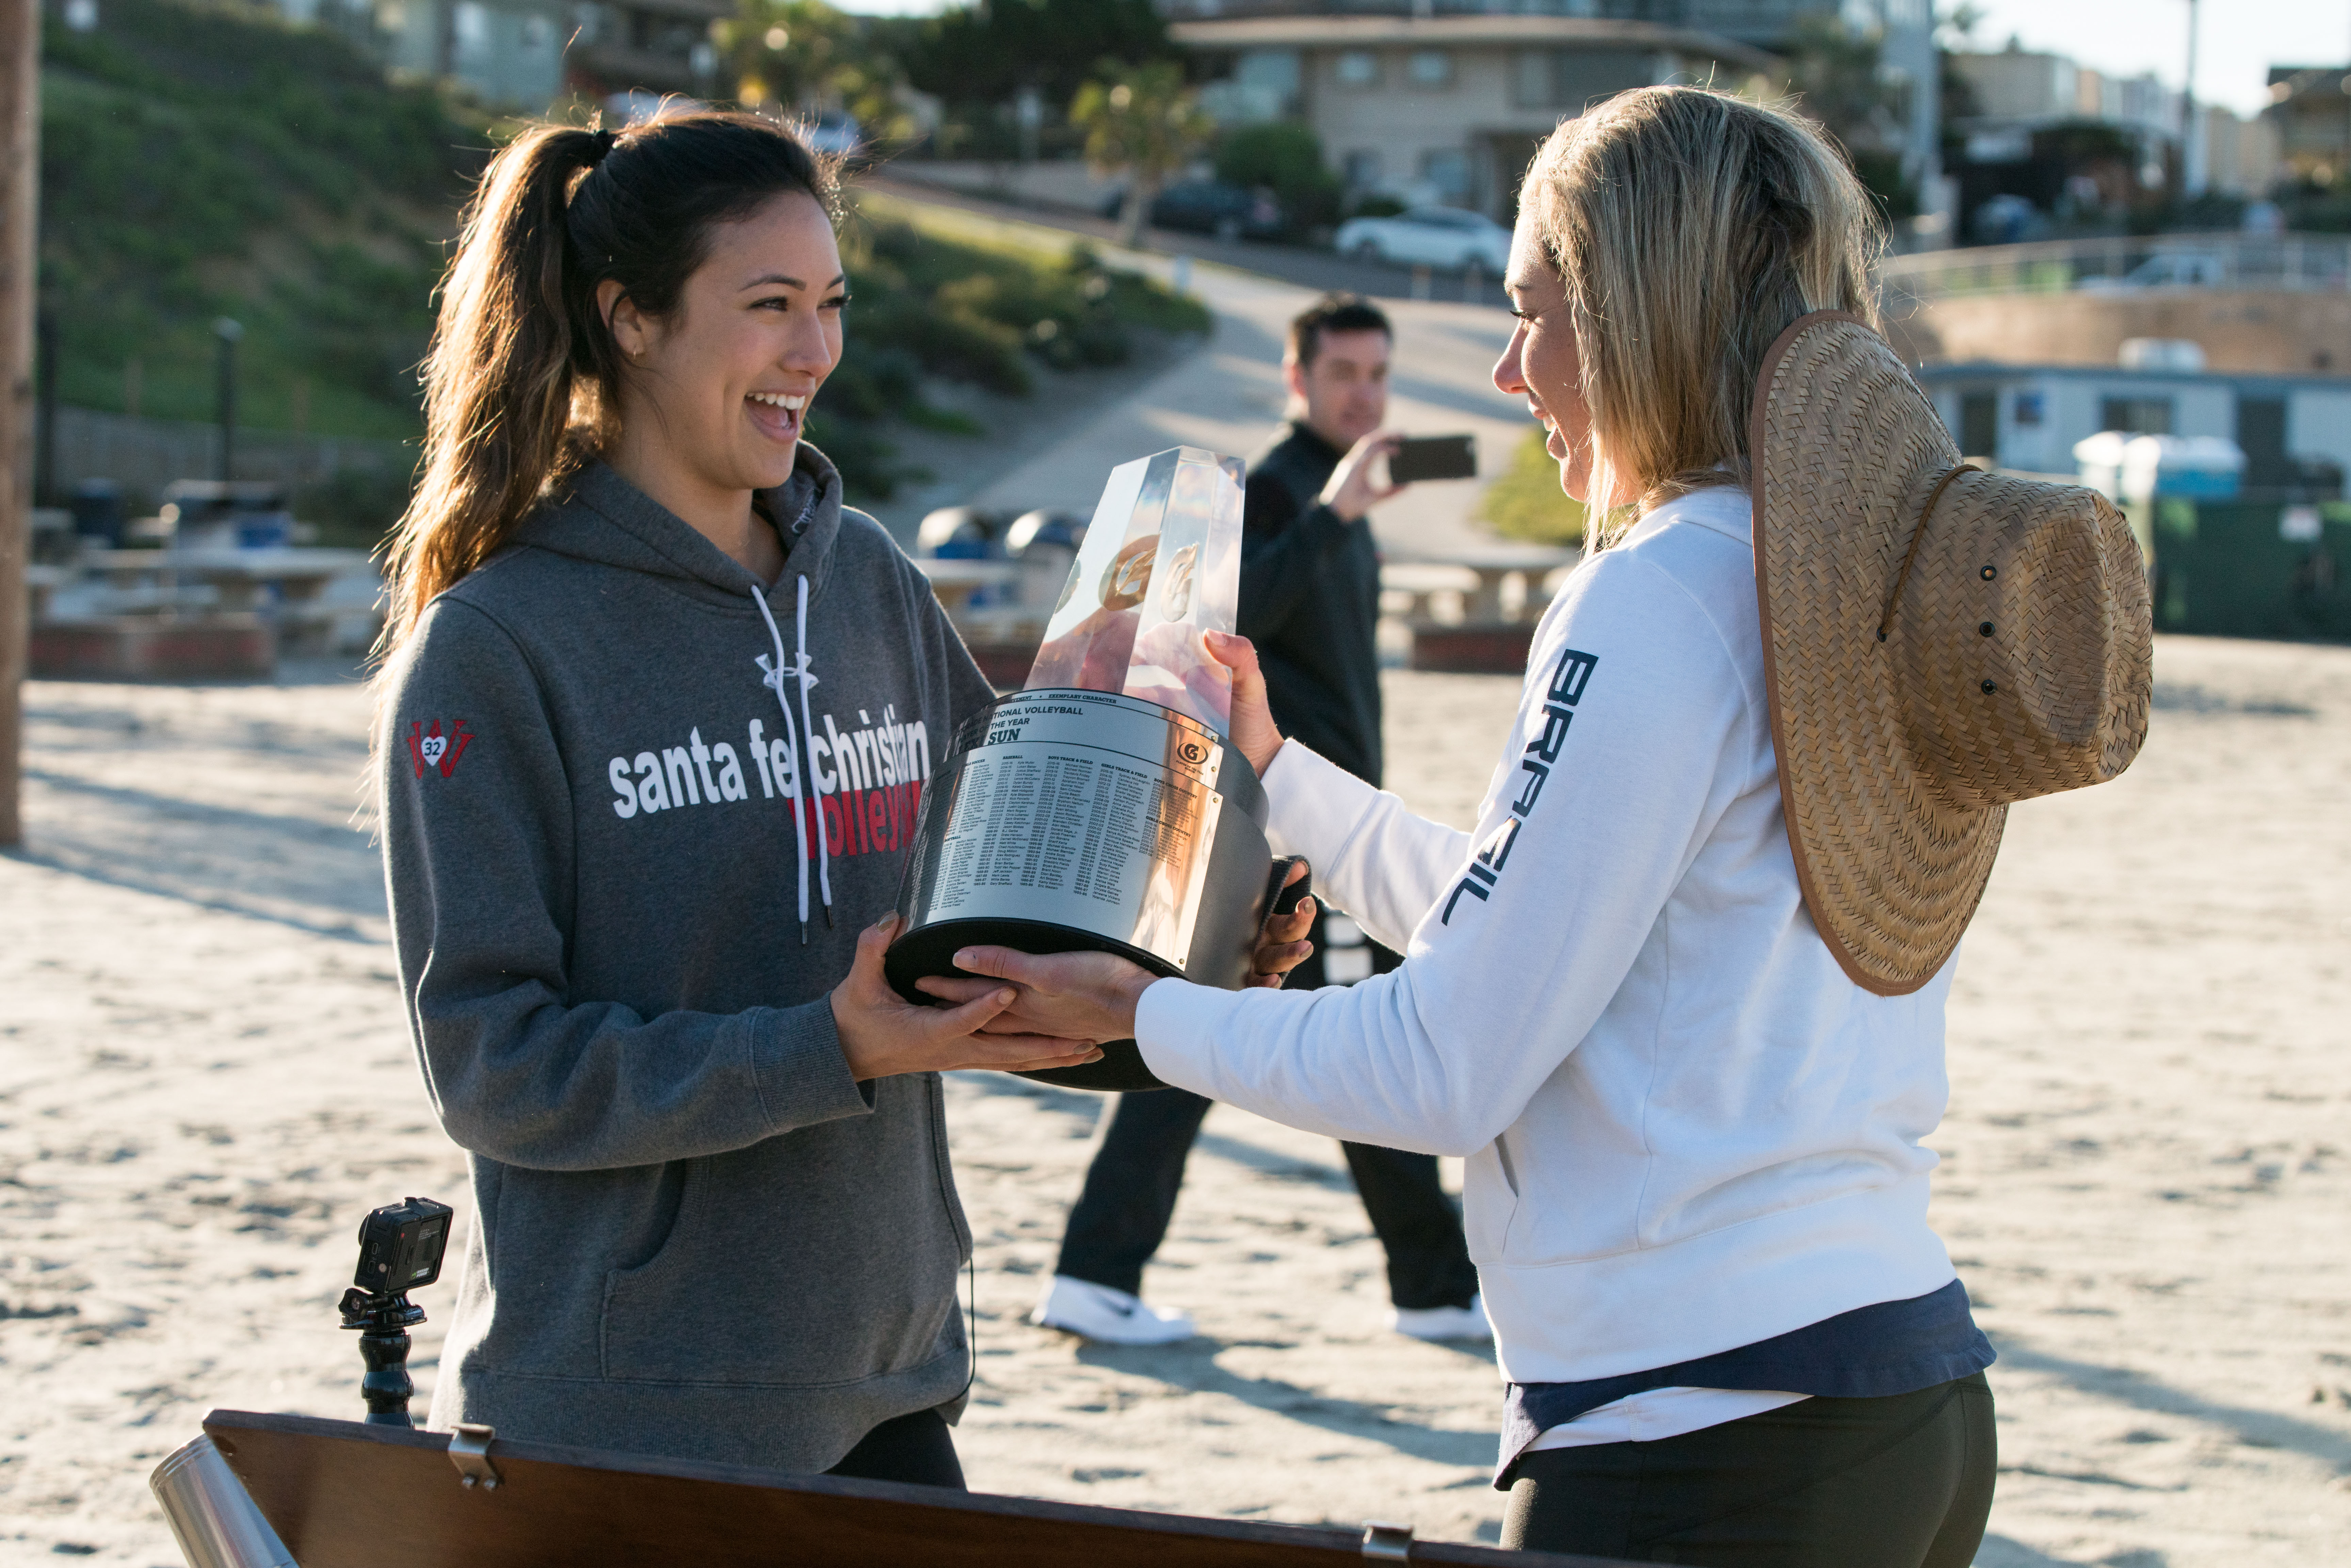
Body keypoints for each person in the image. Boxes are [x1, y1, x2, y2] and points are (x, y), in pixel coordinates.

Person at [923, 88, 2077, 1564]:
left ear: (1634, 318)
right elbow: (1538, 931)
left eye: (1533, 313)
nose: (1503, 366)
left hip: (1702, 1436)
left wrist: (1144, 1019)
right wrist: (1278, 766)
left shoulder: (1654, 594)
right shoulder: (1818, 580)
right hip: (1894, 1388)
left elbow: (1445, 1064)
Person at [373, 112, 1158, 1487]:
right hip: (627, 1416)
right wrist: (827, 1049)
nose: (817, 352)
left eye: (833, 305)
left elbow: (1009, 912)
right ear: (629, 319)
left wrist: (1196, 944)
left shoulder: (865, 584)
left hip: (889, 1375)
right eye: (771, 307)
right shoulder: (497, 646)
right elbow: (497, 1071)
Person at [1030, 293, 1485, 1348]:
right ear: (1297, 380)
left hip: (1332, 828)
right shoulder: (1277, 496)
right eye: (1341, 375)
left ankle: (1426, 1286)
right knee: (1237, 1044)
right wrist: (1331, 512)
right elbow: (1232, 629)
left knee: (1328, 1041)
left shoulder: (1344, 507)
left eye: (1377, 375)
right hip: (1279, 837)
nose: (1363, 395)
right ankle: (1097, 1272)